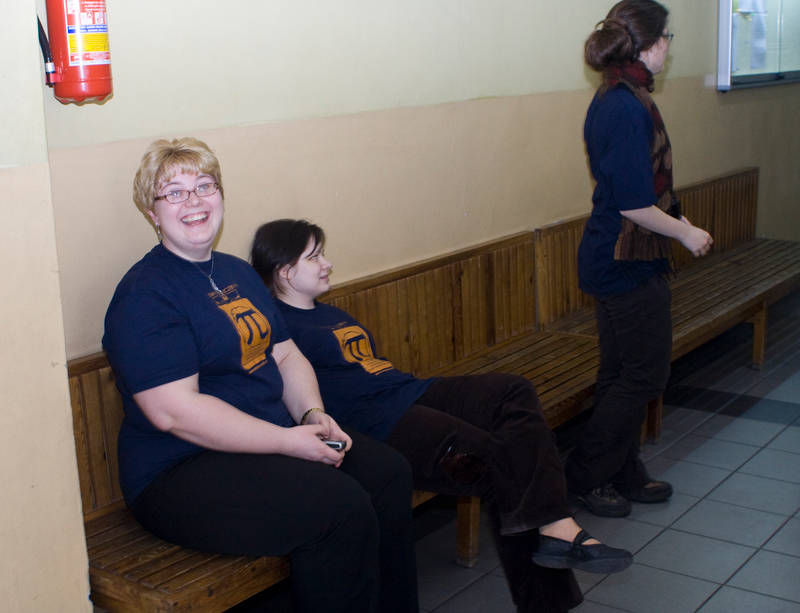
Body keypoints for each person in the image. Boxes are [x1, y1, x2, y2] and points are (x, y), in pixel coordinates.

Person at [251, 219, 635, 613]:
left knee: (513, 390)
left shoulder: (332, 313)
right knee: (502, 462)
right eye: (315, 257)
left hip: (410, 390)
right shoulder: (279, 328)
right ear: (285, 271)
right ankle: (554, 565)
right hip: (380, 422)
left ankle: (555, 527)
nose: (327, 263)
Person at [102, 138, 419, 613]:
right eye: (174, 192)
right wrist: (288, 441)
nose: (194, 201)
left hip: (265, 441)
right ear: (152, 212)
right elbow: (174, 413)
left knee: (386, 472)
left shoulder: (237, 272)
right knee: (339, 508)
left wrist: (311, 414)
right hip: (179, 470)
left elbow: (286, 355)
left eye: (204, 186)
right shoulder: (145, 295)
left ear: (220, 195)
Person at [565, 0, 713, 518]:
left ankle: (621, 472)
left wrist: (675, 223)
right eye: (667, 37)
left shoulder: (624, 95)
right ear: (648, 44)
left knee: (620, 372)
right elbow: (633, 203)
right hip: (622, 260)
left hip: (622, 256)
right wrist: (687, 233)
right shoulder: (624, 106)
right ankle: (585, 476)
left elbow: (639, 190)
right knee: (644, 375)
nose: (670, 46)